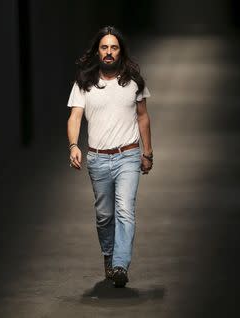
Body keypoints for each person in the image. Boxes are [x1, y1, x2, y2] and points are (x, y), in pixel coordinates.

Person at [66, 26, 153, 288]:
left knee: (125, 210)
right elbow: (75, 116)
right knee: (105, 215)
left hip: (127, 155)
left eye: (114, 47)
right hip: (98, 159)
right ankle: (109, 255)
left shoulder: (134, 81)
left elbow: (143, 117)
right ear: (97, 51)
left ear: (121, 51)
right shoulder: (85, 82)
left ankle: (120, 265)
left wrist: (147, 152)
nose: (108, 52)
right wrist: (73, 146)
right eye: (104, 47)